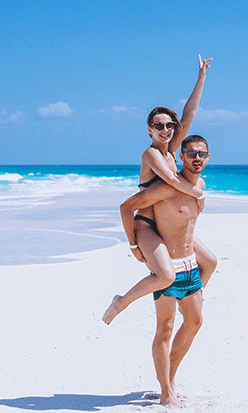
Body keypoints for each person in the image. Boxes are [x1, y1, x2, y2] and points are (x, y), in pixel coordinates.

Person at [102, 55, 216, 324]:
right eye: (158, 126)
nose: (165, 130)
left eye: (168, 126)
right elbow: (174, 183)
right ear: (150, 130)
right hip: (147, 226)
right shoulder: (152, 154)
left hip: (166, 224)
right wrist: (199, 194)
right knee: (165, 276)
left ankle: (189, 298)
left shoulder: (171, 151)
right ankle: (120, 302)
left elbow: (188, 115)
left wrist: (201, 78)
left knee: (209, 262)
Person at [115, 135, 213, 407]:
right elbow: (128, 207)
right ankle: (166, 391)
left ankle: (169, 378)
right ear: (180, 156)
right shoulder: (166, 187)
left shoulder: (200, 187)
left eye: (202, 154)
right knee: (165, 329)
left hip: (190, 266)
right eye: (191, 153)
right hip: (169, 266)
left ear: (208, 158)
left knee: (194, 322)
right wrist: (136, 244)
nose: (196, 158)